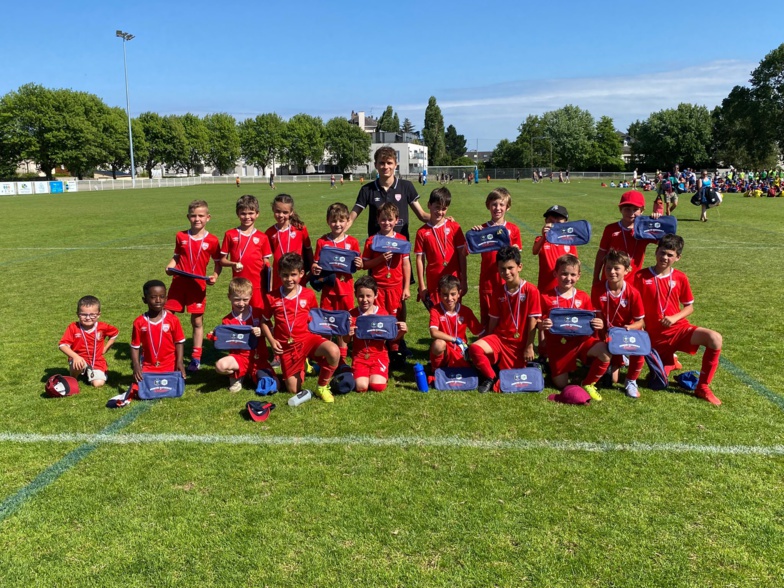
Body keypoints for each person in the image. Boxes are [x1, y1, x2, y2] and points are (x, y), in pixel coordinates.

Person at [633, 234, 723, 405]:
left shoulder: (680, 277)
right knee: (656, 383)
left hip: (679, 330)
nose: (664, 257)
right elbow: (632, 306)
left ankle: (702, 387)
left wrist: (674, 318)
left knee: (715, 338)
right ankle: (669, 362)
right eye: (662, 252)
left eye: (669, 255)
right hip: (654, 339)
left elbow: (689, 306)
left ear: (678, 257)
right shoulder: (640, 277)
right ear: (656, 252)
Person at [261, 253, 340, 401]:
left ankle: (322, 386)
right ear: (279, 274)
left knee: (334, 351)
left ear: (301, 274)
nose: (289, 279)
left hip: (307, 339)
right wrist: (272, 341)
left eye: (293, 275)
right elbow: (264, 321)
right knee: (293, 390)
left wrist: (324, 338)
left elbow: (315, 320)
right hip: (287, 346)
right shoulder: (271, 297)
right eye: (285, 275)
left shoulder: (308, 295)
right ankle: (303, 365)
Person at [467, 246, 541, 393]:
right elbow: (493, 320)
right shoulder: (498, 291)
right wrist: (488, 341)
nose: (506, 272)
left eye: (510, 268)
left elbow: (533, 321)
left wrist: (529, 346)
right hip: (500, 339)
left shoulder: (531, 291)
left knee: (514, 376)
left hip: (520, 344)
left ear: (519, 267)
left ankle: (498, 370)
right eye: (502, 269)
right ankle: (490, 377)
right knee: (475, 348)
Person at [539, 255, 611, 400]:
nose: (568, 278)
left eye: (572, 274)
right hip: (559, 346)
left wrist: (599, 324)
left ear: (578, 276)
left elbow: (591, 322)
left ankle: (588, 383)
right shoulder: (546, 297)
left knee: (605, 351)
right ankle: (556, 366)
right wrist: (542, 325)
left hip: (581, 342)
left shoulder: (583, 297)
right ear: (555, 274)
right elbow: (537, 321)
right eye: (564, 273)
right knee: (561, 384)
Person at [165, 199, 222, 372]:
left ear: (208, 217)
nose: (197, 219)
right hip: (179, 283)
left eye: (201, 216)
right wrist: (170, 267)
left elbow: (218, 262)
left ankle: (196, 358)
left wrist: (214, 276)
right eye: (193, 216)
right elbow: (176, 257)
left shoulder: (212, 240)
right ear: (188, 217)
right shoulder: (180, 236)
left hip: (198, 286)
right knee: (167, 316)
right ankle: (165, 352)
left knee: (196, 321)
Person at [590, 249, 646, 398]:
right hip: (605, 336)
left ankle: (631, 381)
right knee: (611, 380)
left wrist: (630, 327)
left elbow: (640, 321)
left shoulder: (633, 293)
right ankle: (616, 359)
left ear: (627, 270)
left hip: (625, 334)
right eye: (608, 268)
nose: (612, 272)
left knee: (641, 346)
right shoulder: (597, 289)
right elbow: (597, 315)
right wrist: (599, 324)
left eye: (617, 268)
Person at [312, 202, 362, 362]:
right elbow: (316, 263)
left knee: (344, 325)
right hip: (329, 290)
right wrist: (315, 268)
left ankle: (342, 359)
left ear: (348, 221)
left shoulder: (352, 242)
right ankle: (325, 356)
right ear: (328, 221)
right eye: (334, 221)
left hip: (346, 290)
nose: (337, 224)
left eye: (341, 221)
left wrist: (359, 263)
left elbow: (357, 264)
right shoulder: (322, 242)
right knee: (325, 324)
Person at [361, 202, 411, 360]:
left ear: (397, 220)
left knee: (396, 316)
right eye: (383, 219)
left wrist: (406, 287)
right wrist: (380, 260)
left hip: (396, 287)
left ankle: (395, 346)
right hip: (378, 287)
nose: (386, 223)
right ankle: (379, 346)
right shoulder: (372, 241)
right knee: (379, 317)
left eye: (390, 219)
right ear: (377, 219)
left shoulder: (402, 240)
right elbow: (364, 264)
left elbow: (405, 264)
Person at [349, 146, 430, 241]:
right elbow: (350, 219)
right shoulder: (367, 189)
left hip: (400, 248)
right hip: (376, 248)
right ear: (376, 165)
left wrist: (444, 220)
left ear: (395, 165)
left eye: (389, 163)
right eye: (382, 163)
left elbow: (422, 215)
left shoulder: (406, 186)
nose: (386, 166)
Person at [471, 188, 522, 328]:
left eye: (501, 204)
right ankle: (487, 345)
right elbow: (466, 250)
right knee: (487, 319)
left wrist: (516, 250)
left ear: (508, 207)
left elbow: (518, 258)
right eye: (494, 204)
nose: (497, 208)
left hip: (508, 281)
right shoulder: (481, 229)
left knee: (507, 317)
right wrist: (475, 235)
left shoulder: (514, 229)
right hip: (487, 282)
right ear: (488, 205)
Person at [210, 278, 272, 393]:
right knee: (220, 366)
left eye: (245, 299)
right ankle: (237, 374)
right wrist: (215, 337)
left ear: (251, 296)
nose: (241, 303)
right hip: (239, 358)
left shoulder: (258, 313)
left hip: (258, 358)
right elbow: (224, 342)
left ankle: (251, 374)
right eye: (237, 300)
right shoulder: (227, 320)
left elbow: (272, 331)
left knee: (272, 386)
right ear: (229, 297)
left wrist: (262, 332)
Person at [348, 275, 407, 393]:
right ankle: (360, 373)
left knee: (377, 386)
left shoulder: (382, 314)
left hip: (379, 356)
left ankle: (378, 372)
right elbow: (345, 341)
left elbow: (391, 338)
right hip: (360, 356)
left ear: (376, 295)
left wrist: (402, 332)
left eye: (368, 296)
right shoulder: (352, 315)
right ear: (355, 295)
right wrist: (348, 334)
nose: (364, 300)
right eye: (361, 296)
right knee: (361, 387)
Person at [414, 187, 467, 307]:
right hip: (434, 281)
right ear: (429, 205)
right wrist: (422, 285)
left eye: (444, 209)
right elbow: (419, 260)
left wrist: (464, 280)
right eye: (437, 207)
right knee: (437, 317)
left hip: (454, 280)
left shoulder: (454, 227)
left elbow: (462, 255)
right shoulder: (422, 232)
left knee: (453, 315)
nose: (440, 212)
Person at [220, 195, 273, 312]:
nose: (247, 217)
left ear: (257, 214)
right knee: (240, 314)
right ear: (237, 214)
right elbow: (222, 260)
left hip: (257, 285)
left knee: (259, 314)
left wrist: (269, 285)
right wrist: (233, 264)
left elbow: (267, 264)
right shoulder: (230, 234)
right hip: (238, 285)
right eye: (243, 213)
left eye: (251, 213)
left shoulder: (262, 237)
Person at [593, 190, 657, 285]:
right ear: (620, 209)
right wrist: (595, 276)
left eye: (635, 209)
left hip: (633, 282)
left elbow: (666, 243)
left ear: (642, 210)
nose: (631, 213)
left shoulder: (645, 230)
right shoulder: (610, 229)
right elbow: (602, 253)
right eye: (627, 209)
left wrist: (658, 221)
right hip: (610, 279)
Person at [130, 280, 186, 384]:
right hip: (149, 366)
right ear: (144, 300)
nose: (158, 300)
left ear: (166, 298)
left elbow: (179, 342)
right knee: (140, 389)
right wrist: (136, 366)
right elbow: (135, 346)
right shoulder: (139, 322)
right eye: (153, 297)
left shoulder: (173, 320)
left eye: (162, 296)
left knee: (171, 387)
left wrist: (180, 362)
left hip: (170, 365)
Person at [429, 275, 484, 378]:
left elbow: (480, 333)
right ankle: (436, 371)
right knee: (438, 344)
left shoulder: (466, 311)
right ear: (439, 294)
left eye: (453, 294)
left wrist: (475, 349)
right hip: (445, 351)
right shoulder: (435, 310)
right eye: (445, 294)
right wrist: (454, 339)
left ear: (459, 293)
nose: (449, 298)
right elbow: (434, 332)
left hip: (461, 351)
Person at [59, 295, 119, 388]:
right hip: (79, 359)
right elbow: (62, 345)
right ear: (78, 314)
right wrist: (75, 356)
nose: (88, 318)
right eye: (83, 314)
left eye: (92, 314)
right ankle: (74, 377)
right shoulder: (73, 327)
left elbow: (115, 333)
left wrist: (106, 348)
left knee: (98, 384)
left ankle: (94, 373)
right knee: (78, 364)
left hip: (96, 360)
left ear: (98, 314)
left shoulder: (102, 327)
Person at [265, 193, 313, 292]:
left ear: (291, 212)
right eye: (278, 211)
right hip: (280, 276)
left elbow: (308, 250)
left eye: (285, 212)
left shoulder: (300, 229)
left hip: (297, 275)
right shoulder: (270, 233)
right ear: (273, 209)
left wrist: (311, 272)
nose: (281, 215)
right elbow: (266, 258)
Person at [532, 204, 577, 295]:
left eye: (558, 222)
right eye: (551, 221)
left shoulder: (569, 241)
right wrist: (544, 236)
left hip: (564, 289)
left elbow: (574, 264)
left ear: (565, 223)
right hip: (545, 289)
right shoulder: (541, 239)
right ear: (546, 221)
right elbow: (535, 251)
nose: (554, 224)